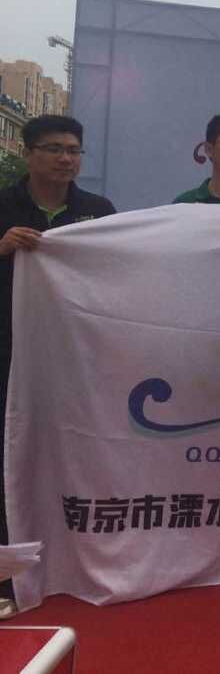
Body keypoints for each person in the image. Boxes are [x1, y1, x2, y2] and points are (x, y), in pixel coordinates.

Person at [0, 115, 117, 618]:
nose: (66, 159)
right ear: (28, 153)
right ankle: (8, 572)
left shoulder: (99, 211)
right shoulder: (4, 206)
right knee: (7, 456)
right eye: (54, 149)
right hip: (7, 354)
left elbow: (117, 274)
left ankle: (71, 559)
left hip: (73, 358)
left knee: (71, 453)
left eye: (74, 150)